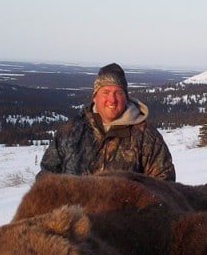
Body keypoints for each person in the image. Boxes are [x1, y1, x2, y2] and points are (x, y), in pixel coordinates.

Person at [38, 63, 176, 180]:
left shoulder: (146, 136)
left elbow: (164, 184)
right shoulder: (71, 130)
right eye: (106, 92)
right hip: (73, 210)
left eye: (118, 93)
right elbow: (46, 177)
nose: (112, 99)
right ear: (94, 97)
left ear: (126, 97)